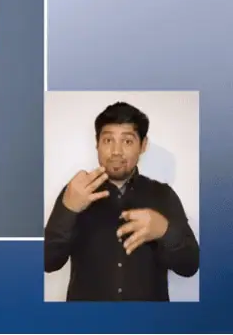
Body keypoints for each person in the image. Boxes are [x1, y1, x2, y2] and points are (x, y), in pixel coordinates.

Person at [44, 101, 199, 301]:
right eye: (108, 140)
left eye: (127, 141)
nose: (116, 151)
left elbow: (190, 266)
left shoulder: (163, 195)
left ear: (143, 145)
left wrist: (165, 231)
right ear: (97, 143)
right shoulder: (76, 191)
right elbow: (48, 262)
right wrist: (68, 209)